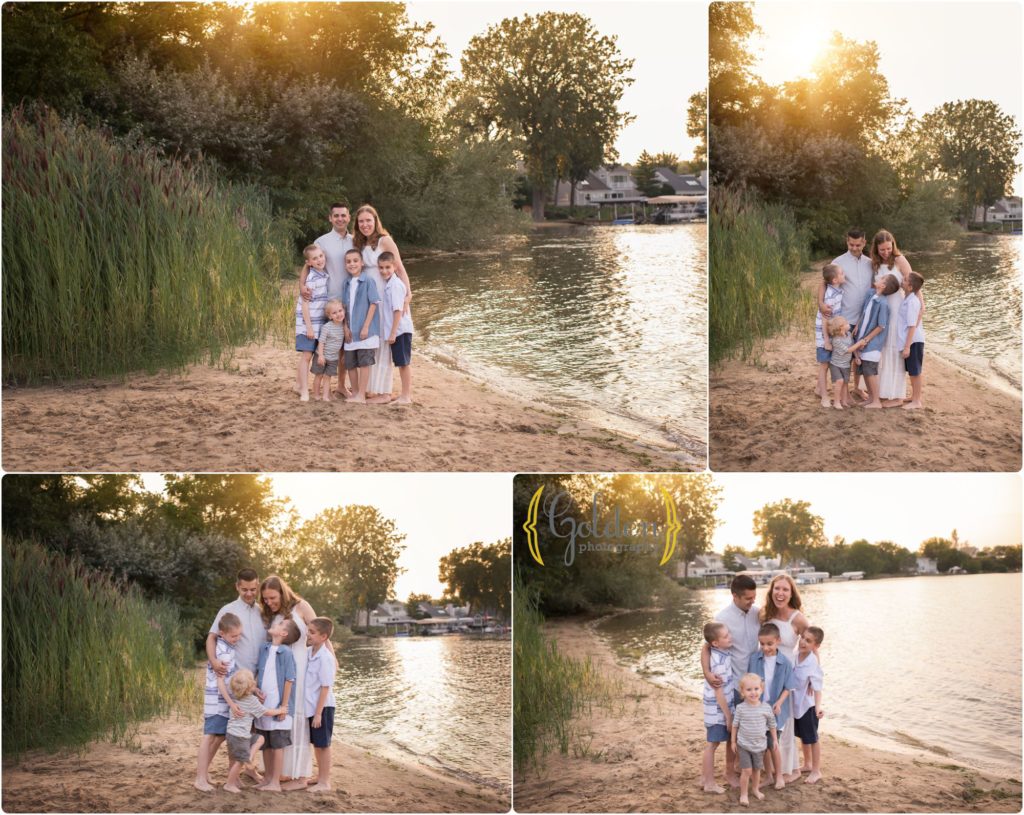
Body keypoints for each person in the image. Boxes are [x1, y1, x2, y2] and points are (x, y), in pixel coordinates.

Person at [260, 575, 320, 785]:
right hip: (278, 673)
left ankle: (299, 773)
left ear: (282, 592)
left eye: (272, 597)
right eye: (265, 599)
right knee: (280, 719)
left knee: (297, 717)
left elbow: (321, 634)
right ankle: (281, 771)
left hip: (300, 670)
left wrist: (331, 660)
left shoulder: (301, 607)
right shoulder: (271, 615)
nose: (269, 602)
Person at [701, 574, 760, 786]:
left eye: (754, 597)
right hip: (733, 683)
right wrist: (707, 673)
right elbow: (707, 646)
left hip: (754, 683)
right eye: (748, 598)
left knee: (746, 729)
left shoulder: (757, 613)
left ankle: (739, 767)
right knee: (731, 731)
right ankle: (729, 771)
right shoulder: (722, 617)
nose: (752, 601)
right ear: (734, 596)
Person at [352, 205, 413, 403]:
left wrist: (408, 294)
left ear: (376, 221)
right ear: (357, 224)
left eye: (369, 220)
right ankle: (372, 388)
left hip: (387, 299)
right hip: (368, 299)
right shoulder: (358, 242)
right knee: (372, 343)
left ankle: (385, 391)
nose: (365, 224)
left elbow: (400, 268)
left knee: (386, 343)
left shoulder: (385, 240)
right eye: (361, 221)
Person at [759, 573, 809, 783]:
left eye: (785, 589)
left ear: (791, 593)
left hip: (787, 674)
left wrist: (812, 678)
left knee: (786, 723)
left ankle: (791, 769)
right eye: (777, 589)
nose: (780, 593)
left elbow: (812, 647)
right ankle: (769, 768)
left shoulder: (797, 618)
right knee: (766, 721)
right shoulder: (763, 615)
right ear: (771, 592)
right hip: (765, 673)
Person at [821, 228, 874, 397]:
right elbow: (823, 283)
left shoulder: (870, 262)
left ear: (864, 243)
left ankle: (858, 387)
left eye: (858, 245)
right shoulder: (838, 262)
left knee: (861, 354)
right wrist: (821, 303)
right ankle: (838, 389)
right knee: (842, 355)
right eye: (851, 244)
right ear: (847, 242)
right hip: (844, 317)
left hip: (864, 317)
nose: (854, 248)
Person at [194, 613, 244, 792]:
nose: (237, 639)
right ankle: (200, 778)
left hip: (223, 700)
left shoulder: (227, 646)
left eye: (239, 635)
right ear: (222, 634)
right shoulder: (223, 652)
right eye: (234, 636)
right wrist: (232, 703)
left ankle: (204, 772)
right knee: (209, 736)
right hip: (217, 700)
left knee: (220, 736)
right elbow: (221, 682)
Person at [747, 623, 795, 790]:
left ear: (778, 641)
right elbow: (749, 681)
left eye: (769, 644)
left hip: (776, 710)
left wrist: (779, 702)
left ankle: (779, 776)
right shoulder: (754, 659)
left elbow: (788, 687)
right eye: (762, 644)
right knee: (763, 745)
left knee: (774, 744)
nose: (765, 648)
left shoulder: (785, 662)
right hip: (758, 708)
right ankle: (768, 776)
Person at [253, 618, 300, 792]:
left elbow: (289, 680)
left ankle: (275, 782)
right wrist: (256, 690)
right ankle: (267, 778)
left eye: (280, 624)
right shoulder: (264, 648)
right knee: (264, 742)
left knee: (277, 745)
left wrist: (284, 707)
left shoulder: (286, 652)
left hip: (280, 707)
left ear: (283, 633)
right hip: (264, 705)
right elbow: (259, 673)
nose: (275, 623)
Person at [222, 670, 286, 794]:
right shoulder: (251, 700)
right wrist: (280, 710)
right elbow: (266, 712)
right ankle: (229, 784)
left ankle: (249, 757)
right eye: (253, 682)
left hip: (232, 734)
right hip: (240, 736)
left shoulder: (235, 697)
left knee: (260, 738)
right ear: (250, 687)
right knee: (239, 762)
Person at [870, 230, 914, 406]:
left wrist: (920, 307)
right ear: (876, 249)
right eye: (882, 250)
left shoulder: (899, 260)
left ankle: (896, 395)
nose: (886, 252)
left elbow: (913, 285)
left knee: (893, 348)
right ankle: (880, 392)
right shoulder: (874, 264)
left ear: (893, 245)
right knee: (880, 349)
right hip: (881, 310)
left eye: (889, 248)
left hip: (897, 310)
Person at [849, 275, 898, 409]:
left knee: (870, 372)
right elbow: (864, 313)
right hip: (862, 337)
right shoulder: (871, 295)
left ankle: (876, 401)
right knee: (865, 370)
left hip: (872, 343)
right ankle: (871, 398)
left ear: (883, 286)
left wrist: (866, 339)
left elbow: (881, 326)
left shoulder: (883, 304)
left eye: (882, 278)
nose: (879, 278)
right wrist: (858, 325)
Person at [340, 248, 381, 404]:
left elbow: (373, 304)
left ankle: (362, 395)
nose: (352, 264)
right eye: (348, 262)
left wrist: (365, 327)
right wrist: (345, 327)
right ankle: (355, 392)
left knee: (364, 362)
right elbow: (343, 307)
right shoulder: (346, 283)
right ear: (345, 265)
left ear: (362, 263)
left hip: (366, 331)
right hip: (350, 330)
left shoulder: (368, 281)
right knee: (350, 363)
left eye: (355, 261)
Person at [302, 617, 338, 792]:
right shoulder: (309, 652)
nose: (307, 634)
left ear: (324, 637)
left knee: (323, 744)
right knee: (317, 743)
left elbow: (325, 687)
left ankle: (325, 781)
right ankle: (319, 776)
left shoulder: (325, 657)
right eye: (308, 630)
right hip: (312, 706)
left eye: (312, 632)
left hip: (323, 707)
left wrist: (318, 713)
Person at [731, 673, 778, 806]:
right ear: (743, 692)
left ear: (761, 689)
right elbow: (735, 725)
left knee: (757, 770)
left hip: (760, 746)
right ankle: (744, 794)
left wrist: (774, 740)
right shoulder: (740, 708)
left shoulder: (766, 708)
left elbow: (772, 725)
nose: (753, 692)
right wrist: (733, 741)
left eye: (756, 689)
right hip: (744, 745)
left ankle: (755, 789)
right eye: (749, 690)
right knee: (747, 771)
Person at [701, 622, 735, 794]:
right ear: (715, 643)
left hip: (716, 709)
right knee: (712, 744)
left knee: (713, 744)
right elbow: (719, 693)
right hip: (718, 711)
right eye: (726, 636)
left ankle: (705, 777)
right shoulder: (718, 662)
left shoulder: (719, 651)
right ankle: (709, 783)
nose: (730, 637)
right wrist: (729, 716)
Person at [296, 245, 330, 402]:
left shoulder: (324, 274)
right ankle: (304, 390)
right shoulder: (311, 278)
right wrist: (309, 327)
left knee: (311, 354)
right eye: (315, 258)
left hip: (319, 321)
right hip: (308, 323)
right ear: (308, 262)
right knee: (307, 355)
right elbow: (304, 304)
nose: (319, 260)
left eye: (321, 256)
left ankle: (298, 385)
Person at [379, 251, 413, 404]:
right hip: (396, 331)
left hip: (400, 331)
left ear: (394, 267)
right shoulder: (389, 283)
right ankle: (404, 394)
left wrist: (393, 333)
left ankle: (406, 396)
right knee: (400, 362)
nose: (384, 271)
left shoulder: (396, 285)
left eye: (388, 267)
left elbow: (398, 311)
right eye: (381, 268)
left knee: (403, 363)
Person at [793, 627, 825, 784]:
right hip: (795, 705)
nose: (803, 642)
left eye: (808, 641)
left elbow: (818, 688)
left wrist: (818, 707)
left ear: (816, 646)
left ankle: (816, 770)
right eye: (803, 638)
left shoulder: (812, 662)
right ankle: (807, 763)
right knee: (803, 737)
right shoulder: (795, 655)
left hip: (808, 706)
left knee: (812, 738)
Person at [815, 264, 845, 406]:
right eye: (842, 273)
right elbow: (825, 318)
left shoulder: (837, 289)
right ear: (834, 280)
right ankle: (825, 396)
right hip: (824, 335)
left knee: (828, 363)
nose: (844, 275)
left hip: (832, 333)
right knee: (824, 365)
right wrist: (826, 341)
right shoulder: (830, 295)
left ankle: (819, 389)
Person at [899, 272, 926, 409]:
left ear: (909, 287)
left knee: (915, 371)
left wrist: (907, 346)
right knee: (912, 371)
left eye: (904, 280)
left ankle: (917, 401)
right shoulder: (907, 298)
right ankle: (913, 396)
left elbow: (911, 326)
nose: (901, 281)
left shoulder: (912, 302)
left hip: (914, 341)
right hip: (910, 340)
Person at [312, 300, 346, 402]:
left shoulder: (344, 327)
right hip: (321, 356)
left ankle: (325, 396)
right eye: (334, 313)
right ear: (330, 316)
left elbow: (342, 344)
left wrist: (343, 355)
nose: (338, 314)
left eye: (340, 311)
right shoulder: (327, 327)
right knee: (319, 375)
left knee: (328, 377)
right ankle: (316, 395)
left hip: (333, 358)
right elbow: (321, 342)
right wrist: (321, 355)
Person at [827, 317, 854, 410]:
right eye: (846, 323)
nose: (848, 323)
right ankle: (836, 402)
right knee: (840, 381)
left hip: (846, 365)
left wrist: (857, 357)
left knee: (845, 383)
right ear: (841, 327)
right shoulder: (836, 340)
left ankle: (844, 401)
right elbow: (848, 350)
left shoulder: (849, 335)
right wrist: (861, 343)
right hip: (836, 364)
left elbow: (852, 346)